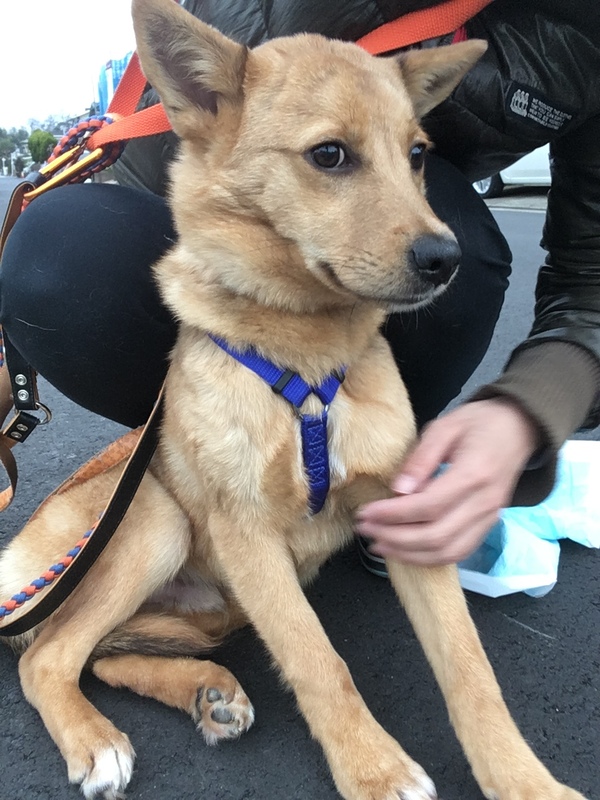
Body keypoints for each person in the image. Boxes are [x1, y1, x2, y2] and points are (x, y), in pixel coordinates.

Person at [1, 0, 599, 573]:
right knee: (62, 253)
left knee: (456, 248)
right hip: (191, 201)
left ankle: (362, 478)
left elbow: (589, 286)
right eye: (332, 152)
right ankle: (209, 469)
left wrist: (525, 411)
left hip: (362, 252)